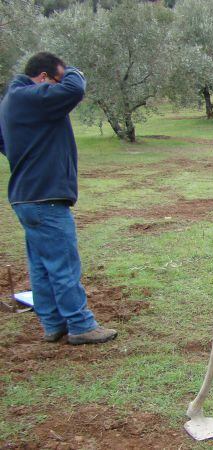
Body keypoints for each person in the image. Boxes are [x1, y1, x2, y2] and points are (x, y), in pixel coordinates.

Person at [0, 52, 117, 345]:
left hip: (27, 197)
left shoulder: (12, 101)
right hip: (45, 197)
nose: (60, 87)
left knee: (41, 266)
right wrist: (72, 71)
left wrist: (27, 156)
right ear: (43, 79)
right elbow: (76, 89)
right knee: (64, 263)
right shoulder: (29, 97)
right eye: (57, 80)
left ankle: (53, 324)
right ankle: (80, 325)